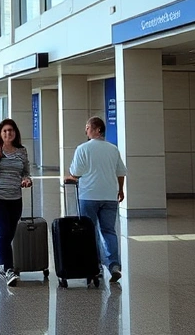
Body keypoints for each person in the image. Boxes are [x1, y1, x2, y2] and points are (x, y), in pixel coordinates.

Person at [65, 116, 127, 283]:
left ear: (98, 129)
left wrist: (71, 176)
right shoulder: (113, 149)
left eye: (88, 127)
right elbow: (120, 172)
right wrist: (120, 190)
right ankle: (114, 265)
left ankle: (96, 267)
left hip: (88, 196)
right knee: (109, 231)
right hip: (109, 196)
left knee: (90, 232)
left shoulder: (83, 149)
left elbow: (75, 173)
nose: (86, 130)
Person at [0, 118, 33, 286]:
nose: (8, 133)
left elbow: (26, 171)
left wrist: (26, 179)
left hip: (15, 199)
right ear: (0, 133)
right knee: (4, 232)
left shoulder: (21, 151)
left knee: (8, 234)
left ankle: (1, 263)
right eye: (5, 131)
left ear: (15, 133)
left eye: (10, 130)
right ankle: (9, 269)